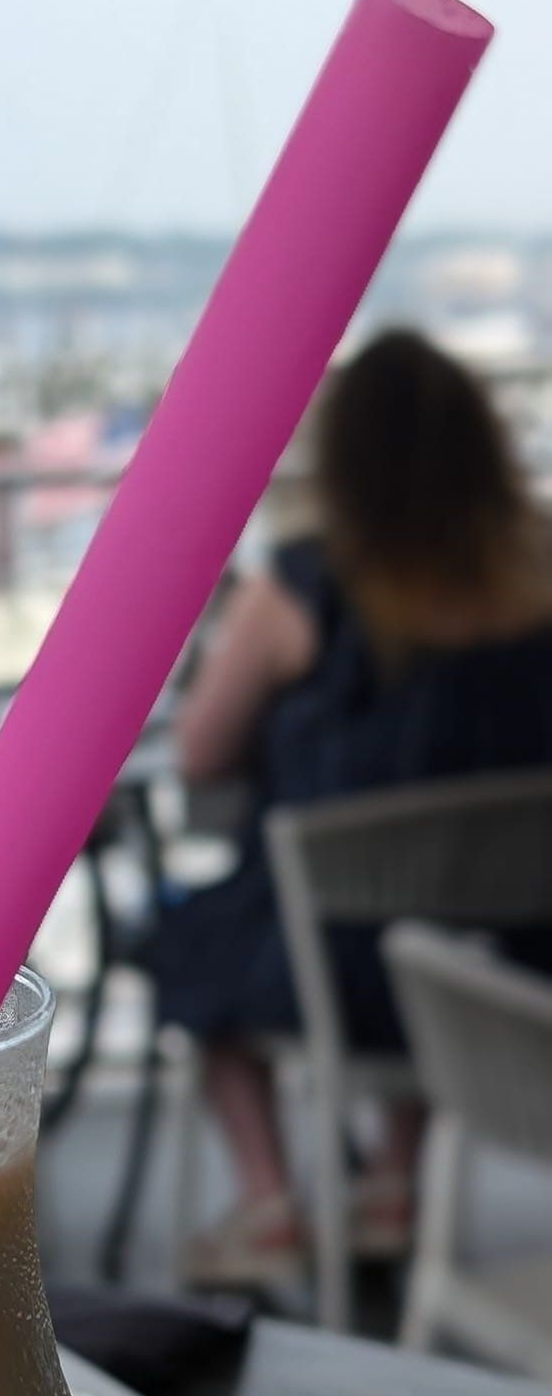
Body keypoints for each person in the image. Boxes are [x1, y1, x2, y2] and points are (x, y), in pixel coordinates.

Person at [152, 328, 552, 1284]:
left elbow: (200, 751)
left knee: (184, 940)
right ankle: (393, 1182)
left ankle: (266, 1196)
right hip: (495, 972)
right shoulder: (537, 579)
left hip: (325, 970)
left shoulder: (300, 588)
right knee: (426, 912)